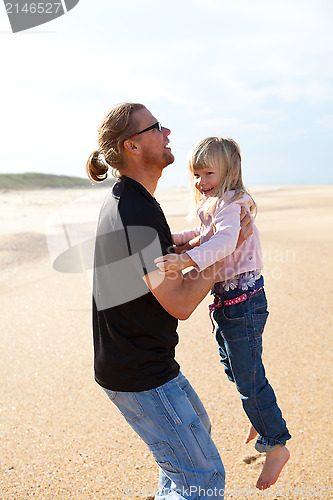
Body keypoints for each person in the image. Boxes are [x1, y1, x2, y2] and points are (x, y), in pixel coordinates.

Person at [85, 104, 253, 500]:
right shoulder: (134, 211)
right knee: (202, 477)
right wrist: (226, 252)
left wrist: (200, 244)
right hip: (139, 373)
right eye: (157, 127)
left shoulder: (132, 200)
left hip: (144, 363)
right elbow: (178, 302)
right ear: (133, 145)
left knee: (194, 442)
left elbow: (161, 267)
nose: (168, 132)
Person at [155, 137, 291, 491]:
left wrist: (185, 259)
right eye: (196, 175)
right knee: (235, 368)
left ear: (229, 172)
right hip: (229, 303)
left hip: (244, 302)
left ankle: (276, 441)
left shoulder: (233, 204)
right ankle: (260, 414)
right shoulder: (214, 203)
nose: (200, 181)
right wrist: (169, 239)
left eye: (208, 173)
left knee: (248, 378)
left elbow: (224, 241)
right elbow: (202, 234)